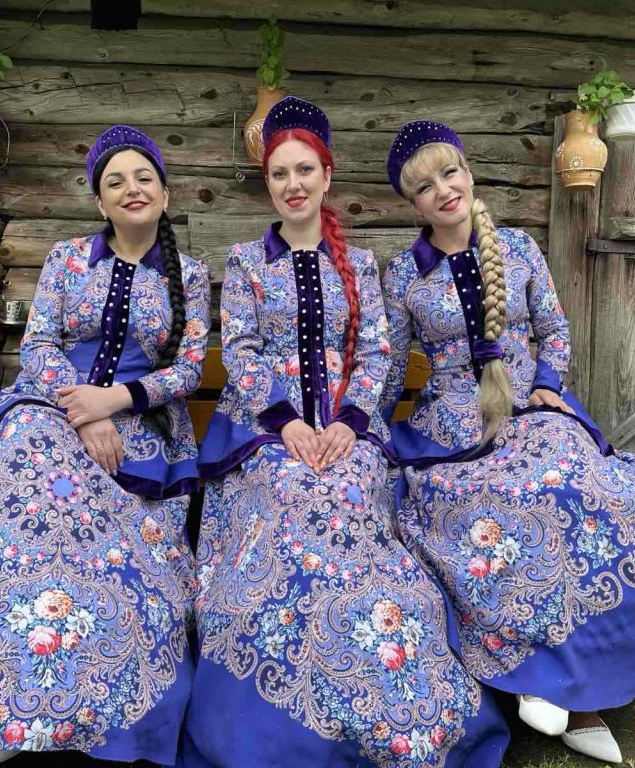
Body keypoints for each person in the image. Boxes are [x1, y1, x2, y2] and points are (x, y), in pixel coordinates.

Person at [0, 125, 210, 768]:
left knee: (114, 550)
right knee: (31, 502)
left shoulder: (188, 274)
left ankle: (77, 700)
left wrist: (115, 402)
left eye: (144, 178)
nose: (131, 189)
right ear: (100, 202)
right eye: (115, 182)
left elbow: (188, 370)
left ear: (164, 192)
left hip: (141, 430)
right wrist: (82, 411)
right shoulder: (67, 258)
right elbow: (41, 344)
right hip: (53, 412)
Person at [181, 98, 508, 768]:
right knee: (288, 500)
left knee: (350, 499)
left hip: (346, 432)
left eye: (305, 170)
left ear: (327, 176)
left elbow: (378, 352)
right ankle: (285, 700)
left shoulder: (358, 264)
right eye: (280, 174)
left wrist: (351, 424)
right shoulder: (246, 263)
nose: (293, 184)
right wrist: (287, 425)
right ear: (268, 184)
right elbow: (239, 351)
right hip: (262, 435)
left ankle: (377, 676)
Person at [380, 120, 635, 764]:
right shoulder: (404, 275)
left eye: (449, 172)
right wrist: (360, 428)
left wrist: (549, 386)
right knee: (495, 510)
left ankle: (583, 685)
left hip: (533, 410)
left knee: (572, 492)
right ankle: (541, 678)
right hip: (453, 428)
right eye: (423, 187)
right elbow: (391, 367)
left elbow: (554, 331)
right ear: (412, 204)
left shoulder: (519, 249)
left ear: (467, 173)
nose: (442, 190)